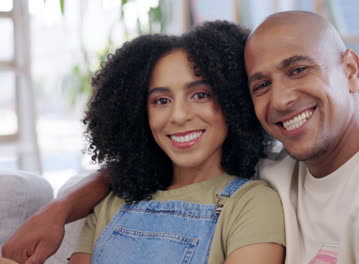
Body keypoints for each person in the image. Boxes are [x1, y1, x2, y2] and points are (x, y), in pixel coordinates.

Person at [3, 11, 359, 264]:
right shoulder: (281, 166)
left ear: (350, 70)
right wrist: (59, 209)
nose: (282, 99)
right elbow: (143, 170)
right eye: (261, 84)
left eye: (299, 69)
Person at [2, 22, 286, 264]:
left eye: (200, 95)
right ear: (139, 114)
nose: (178, 116)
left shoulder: (252, 203)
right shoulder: (111, 203)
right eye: (161, 100)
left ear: (232, 102)